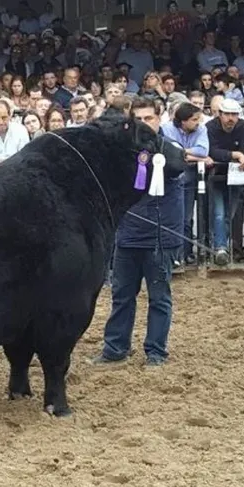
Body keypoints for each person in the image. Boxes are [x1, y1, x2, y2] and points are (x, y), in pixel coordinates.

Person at [92, 96, 185, 367]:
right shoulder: (123, 150)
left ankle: (156, 351)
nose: (144, 124)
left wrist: (152, 149)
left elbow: (177, 164)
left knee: (159, 297)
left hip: (160, 235)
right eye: (138, 119)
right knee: (121, 295)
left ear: (159, 118)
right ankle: (115, 348)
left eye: (149, 118)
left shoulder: (169, 148)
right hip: (127, 234)